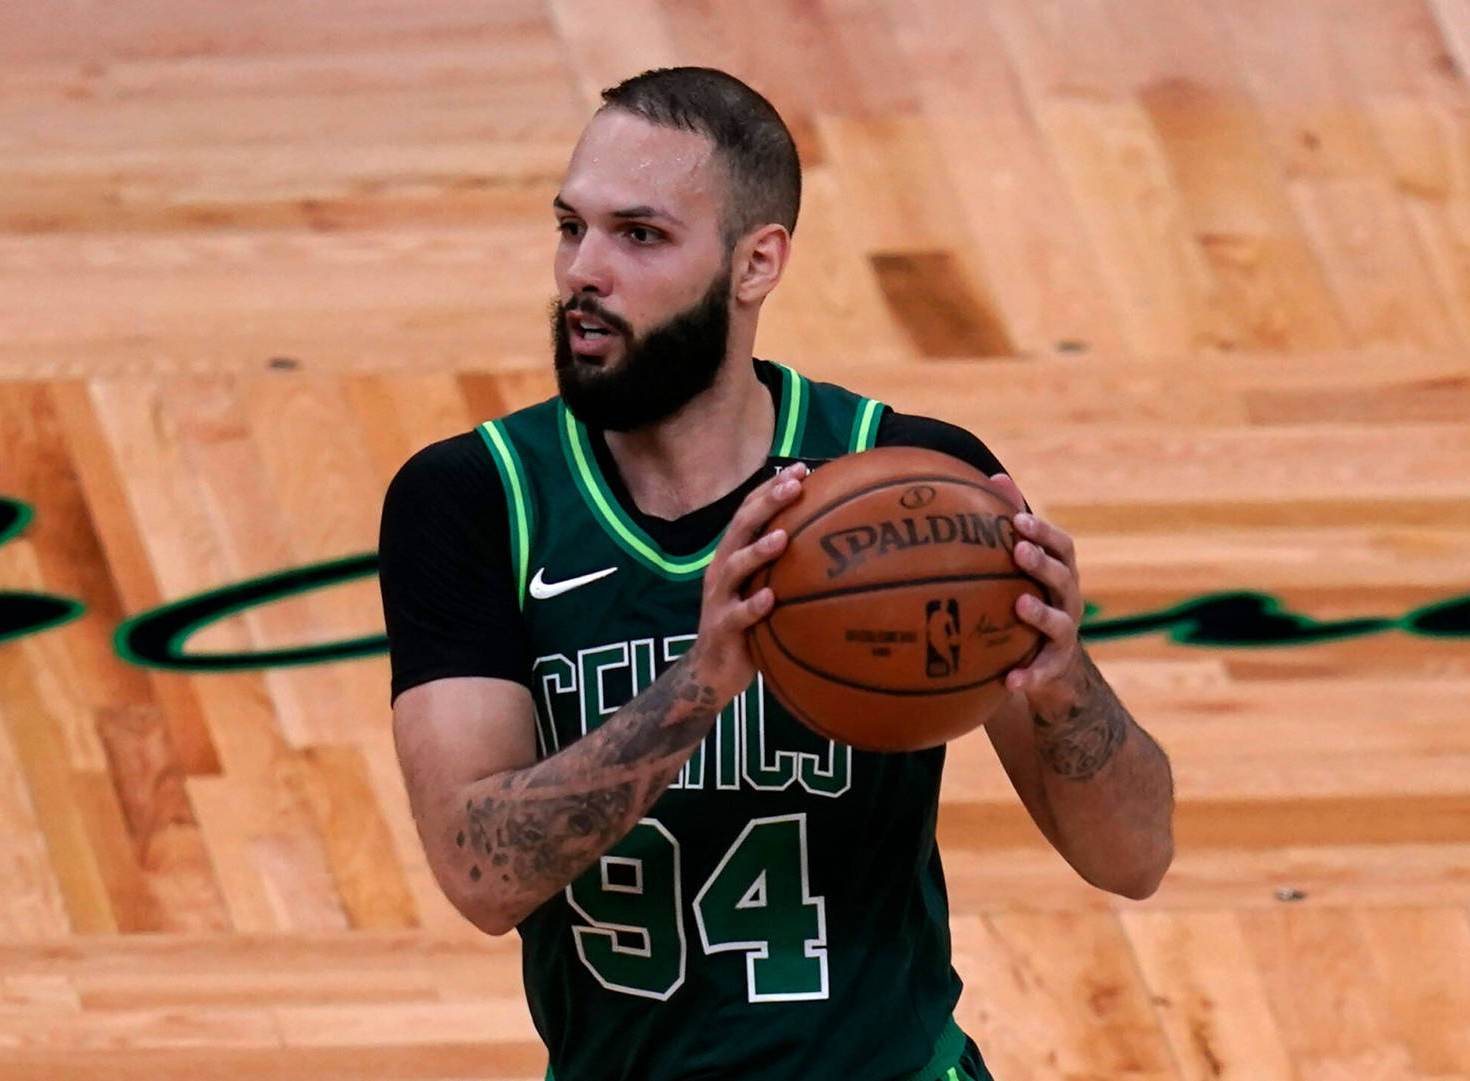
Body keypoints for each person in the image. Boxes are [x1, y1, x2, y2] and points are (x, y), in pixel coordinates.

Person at [380, 66, 1175, 1081]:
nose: (584, 270)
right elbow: (479, 874)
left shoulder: (912, 483)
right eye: (570, 227)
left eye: (640, 235)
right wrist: (701, 682)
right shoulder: (475, 499)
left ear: (757, 263)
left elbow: (1133, 857)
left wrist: (1063, 675)